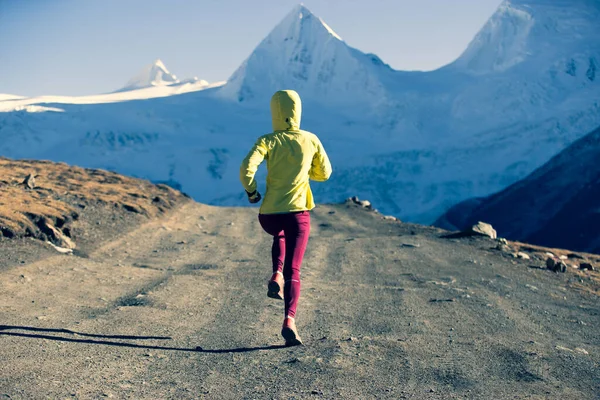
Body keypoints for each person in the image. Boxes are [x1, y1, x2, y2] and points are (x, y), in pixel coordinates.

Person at [239, 90, 332, 346]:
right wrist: (305, 171)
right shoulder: (311, 139)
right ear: (298, 111)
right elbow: (324, 173)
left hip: (269, 214)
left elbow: (246, 168)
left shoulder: (267, 140)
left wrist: (252, 191)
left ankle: (275, 274)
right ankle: (289, 320)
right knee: (296, 268)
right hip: (298, 213)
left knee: (278, 233)